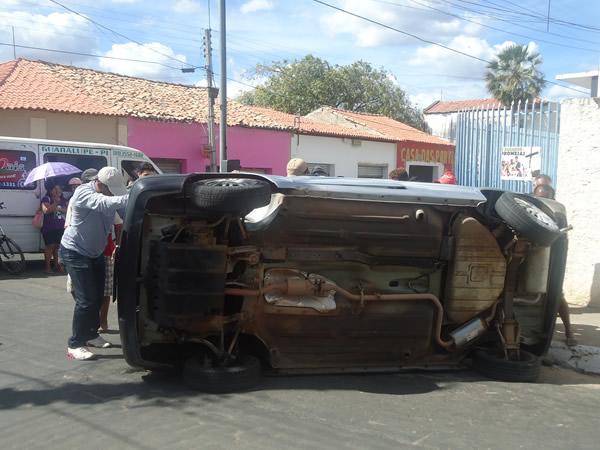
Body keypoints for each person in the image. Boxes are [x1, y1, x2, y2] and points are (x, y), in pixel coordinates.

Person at [60, 167, 129, 361]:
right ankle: (75, 344)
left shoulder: (110, 193)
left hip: (95, 252)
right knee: (86, 300)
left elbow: (123, 211)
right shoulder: (83, 192)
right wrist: (134, 196)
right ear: (100, 183)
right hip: (75, 251)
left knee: (99, 296)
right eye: (111, 189)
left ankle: (90, 334)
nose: (113, 193)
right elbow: (104, 203)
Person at [532, 181, 577, 346]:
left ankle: (569, 331)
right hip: (531, 256)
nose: (542, 200)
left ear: (552, 197)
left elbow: (561, 238)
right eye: (538, 197)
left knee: (557, 295)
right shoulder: (530, 208)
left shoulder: (557, 212)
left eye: (546, 197)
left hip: (551, 258)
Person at [99, 213, 123, 333]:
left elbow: (119, 224)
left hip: (106, 251)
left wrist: (117, 245)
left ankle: (103, 322)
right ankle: (92, 320)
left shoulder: (107, 205)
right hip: (87, 251)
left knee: (106, 290)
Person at [41, 184, 68, 274]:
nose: (57, 191)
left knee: (58, 247)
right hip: (49, 227)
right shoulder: (46, 199)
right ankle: (47, 267)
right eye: (55, 189)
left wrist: (58, 208)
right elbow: (46, 210)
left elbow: (68, 210)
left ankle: (57, 265)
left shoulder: (64, 200)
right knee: (50, 246)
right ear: (50, 190)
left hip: (61, 227)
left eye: (59, 189)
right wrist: (56, 203)